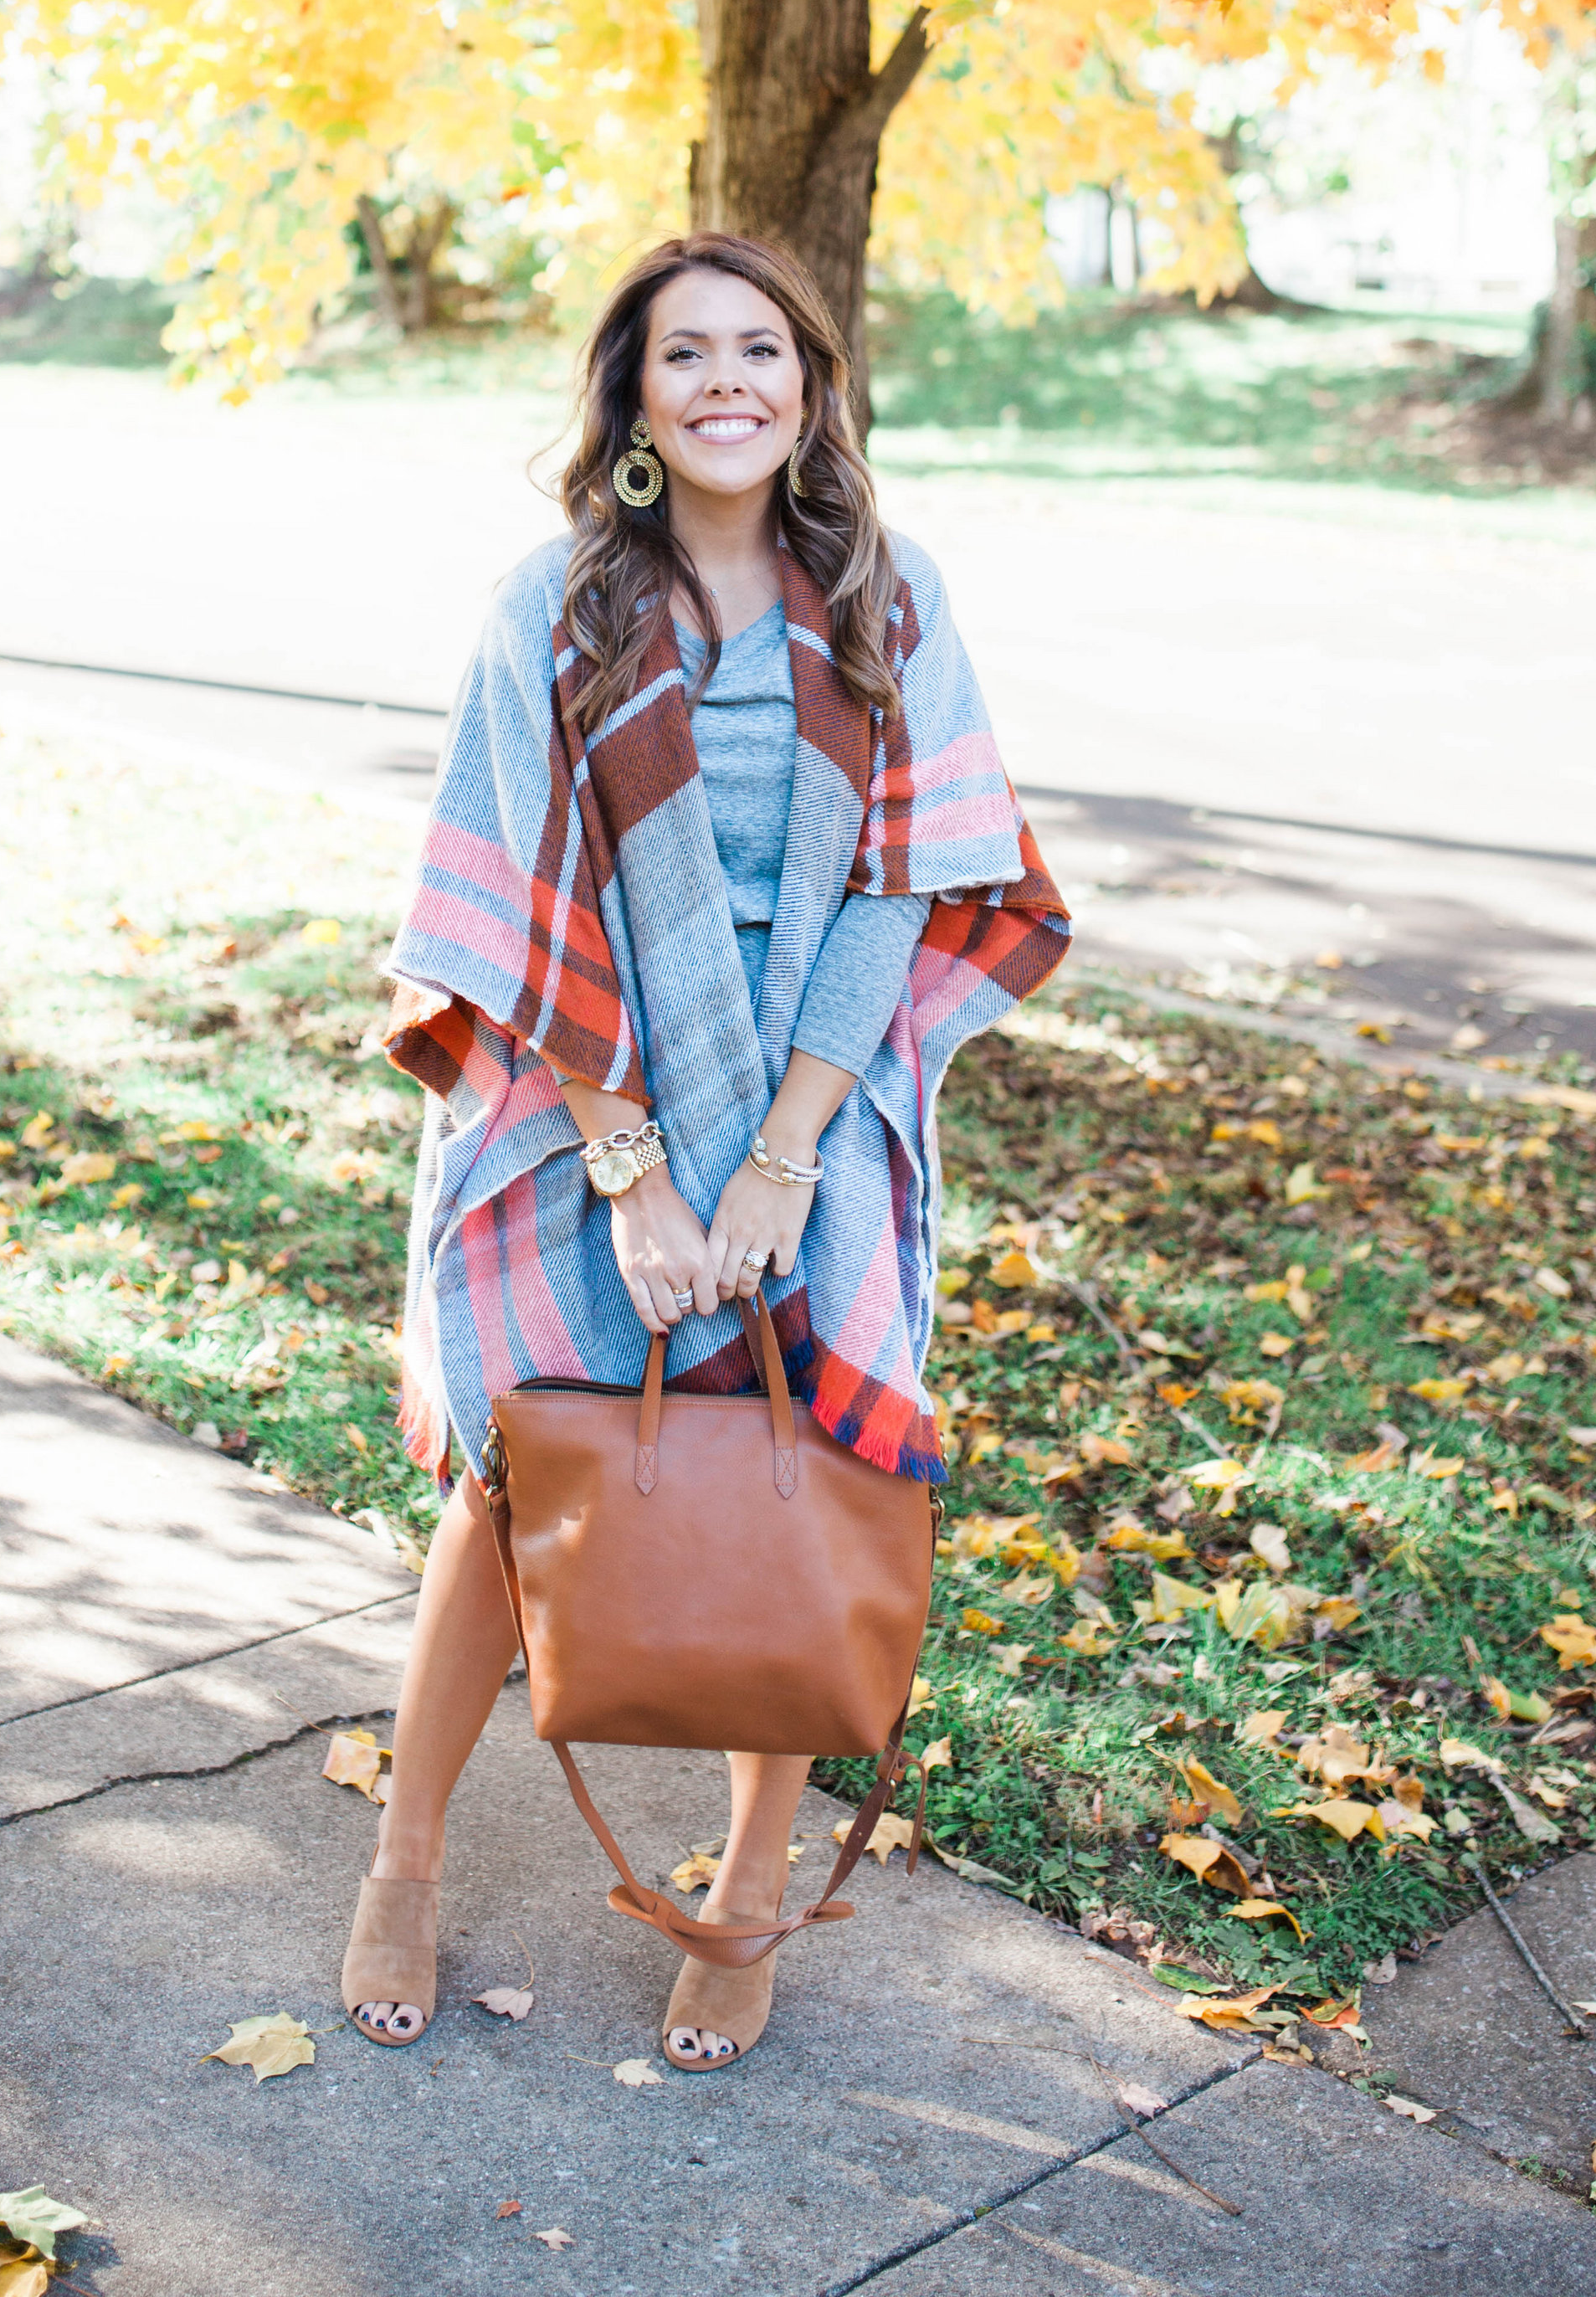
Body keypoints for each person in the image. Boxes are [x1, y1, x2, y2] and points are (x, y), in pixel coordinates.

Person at [342, 231, 1068, 2072]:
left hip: (818, 1094)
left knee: (799, 1461)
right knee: (513, 1486)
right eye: (688, 353)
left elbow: (906, 887)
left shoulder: (885, 604)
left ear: (810, 387)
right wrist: (633, 1162)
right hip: (583, 1086)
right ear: (637, 396)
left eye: (765, 348)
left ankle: (747, 1891)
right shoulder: (557, 610)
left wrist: (780, 1160)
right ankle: (406, 1854)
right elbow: (512, 902)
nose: (730, 378)